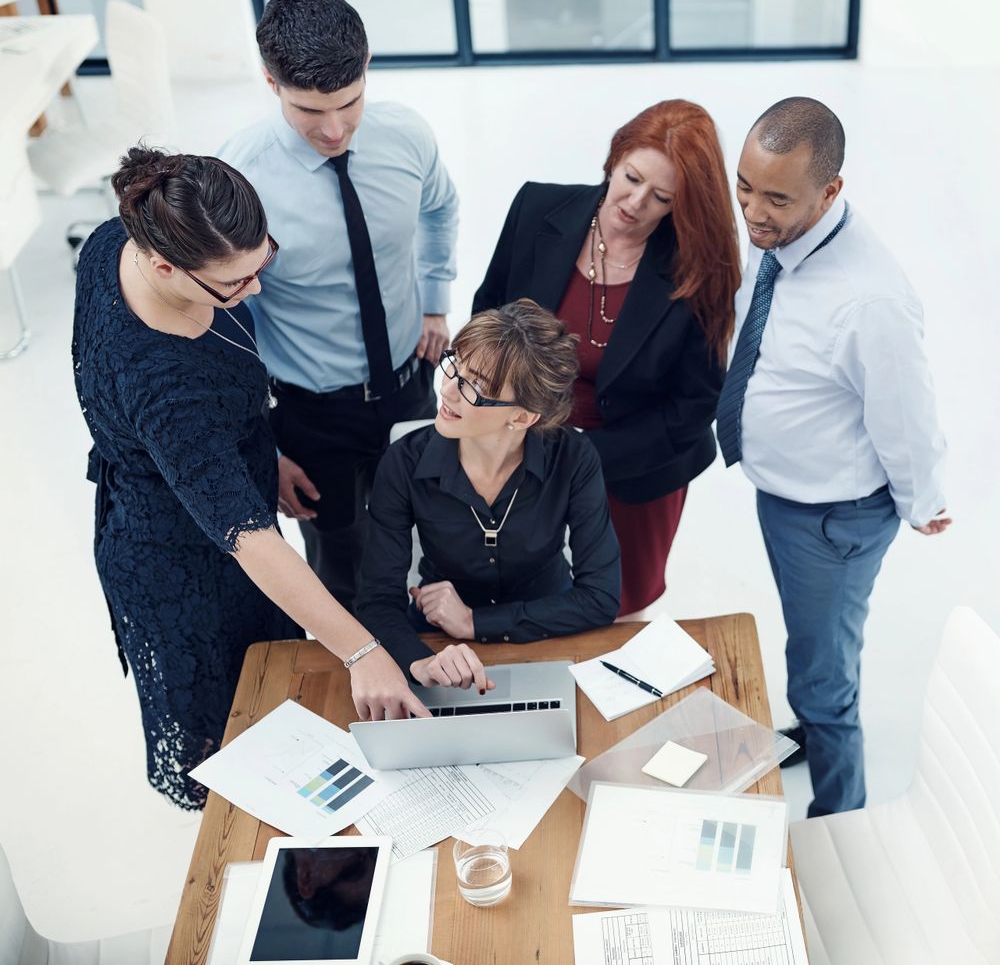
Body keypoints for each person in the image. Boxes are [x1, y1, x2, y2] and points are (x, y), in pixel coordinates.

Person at [72, 147, 430, 811]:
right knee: (235, 714)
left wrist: (258, 460)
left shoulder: (118, 235)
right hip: (183, 562)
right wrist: (360, 651)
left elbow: (205, 434)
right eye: (233, 285)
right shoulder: (165, 389)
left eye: (259, 261)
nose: (254, 290)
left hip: (207, 482)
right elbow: (255, 542)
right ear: (163, 266)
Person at [716, 97, 950, 817]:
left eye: (777, 199)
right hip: (784, 494)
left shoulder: (868, 300)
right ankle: (815, 736)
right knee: (806, 645)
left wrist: (923, 500)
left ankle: (841, 815)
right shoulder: (782, 242)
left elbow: (907, 418)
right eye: (745, 187)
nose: (753, 213)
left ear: (831, 192)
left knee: (824, 677)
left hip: (833, 520)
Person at [218, 0, 459, 615]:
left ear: (367, 65)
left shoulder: (406, 135)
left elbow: (440, 207)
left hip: (412, 385)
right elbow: (220, 326)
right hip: (311, 417)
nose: (333, 130)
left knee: (435, 544)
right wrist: (263, 449)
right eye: (309, 110)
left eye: (349, 104)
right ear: (271, 83)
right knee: (343, 571)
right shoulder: (239, 180)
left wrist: (435, 301)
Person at [473, 100, 740, 617]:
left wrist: (585, 458)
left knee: (615, 608)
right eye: (631, 177)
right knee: (521, 599)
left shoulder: (700, 270)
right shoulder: (535, 208)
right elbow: (487, 314)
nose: (636, 203)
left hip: (635, 467)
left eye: (662, 197)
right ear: (614, 158)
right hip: (521, 446)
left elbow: (693, 408)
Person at [357, 299, 621, 685]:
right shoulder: (403, 462)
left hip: (547, 632)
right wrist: (419, 662)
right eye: (453, 367)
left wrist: (474, 622)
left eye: (473, 387)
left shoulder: (574, 458)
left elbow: (600, 598)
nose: (447, 391)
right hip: (437, 642)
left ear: (523, 417)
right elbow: (377, 600)